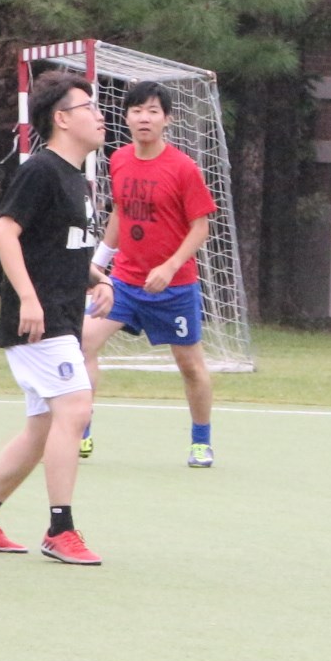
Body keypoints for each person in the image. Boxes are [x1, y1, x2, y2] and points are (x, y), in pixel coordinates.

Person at [0, 71, 107, 566]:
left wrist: (94, 277)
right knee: (75, 408)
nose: (99, 115)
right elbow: (4, 234)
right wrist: (28, 299)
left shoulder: (75, 177)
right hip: (38, 321)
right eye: (88, 106)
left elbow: (57, 244)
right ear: (61, 119)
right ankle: (59, 529)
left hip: (62, 313)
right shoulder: (40, 170)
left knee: (42, 427)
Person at [79, 81, 222, 466]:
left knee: (190, 366)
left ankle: (200, 441)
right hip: (123, 282)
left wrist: (170, 265)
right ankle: (81, 428)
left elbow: (201, 228)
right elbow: (120, 213)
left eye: (153, 111)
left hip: (174, 287)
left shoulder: (183, 168)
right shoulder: (119, 159)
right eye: (137, 110)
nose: (144, 117)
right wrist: (99, 263)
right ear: (125, 117)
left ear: (167, 119)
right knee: (83, 343)